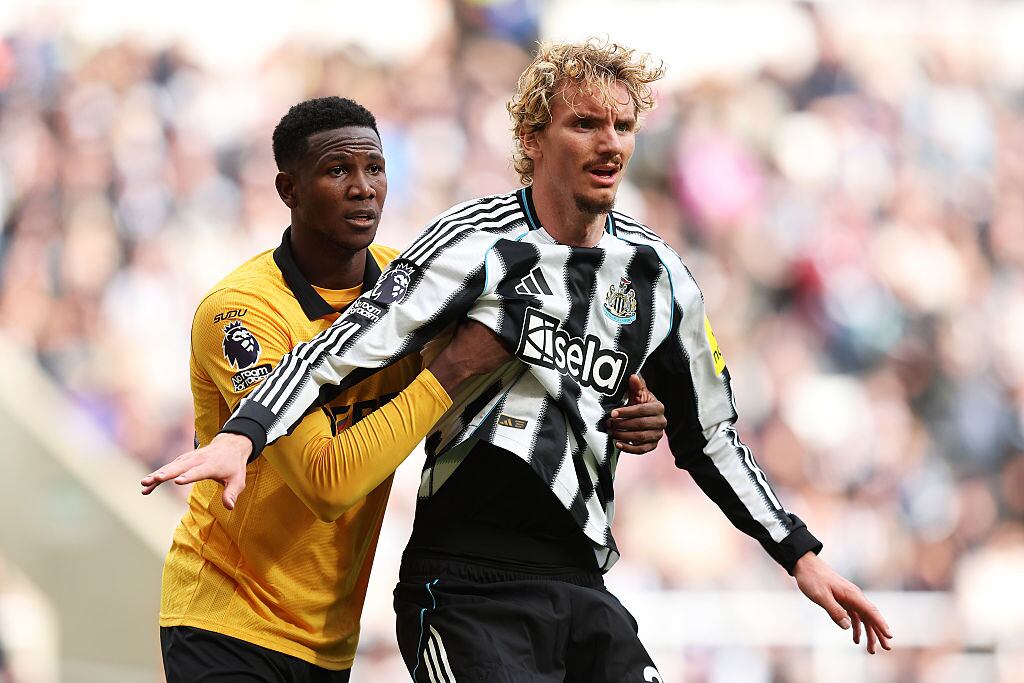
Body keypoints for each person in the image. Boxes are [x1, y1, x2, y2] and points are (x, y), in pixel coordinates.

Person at [147, 39, 892, 681]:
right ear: (533, 138)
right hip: (458, 584)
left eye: (624, 125)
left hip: (581, 580)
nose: (609, 143)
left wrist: (799, 552)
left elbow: (712, 435)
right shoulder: (466, 246)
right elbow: (342, 354)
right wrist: (246, 431)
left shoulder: (660, 277)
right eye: (585, 123)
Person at [144, 95, 666, 683]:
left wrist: (630, 404)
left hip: (326, 638)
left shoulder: (410, 287)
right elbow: (326, 482)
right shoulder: (241, 312)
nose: (363, 188)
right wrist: (450, 370)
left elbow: (525, 359)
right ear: (288, 189)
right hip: (226, 619)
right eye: (337, 170)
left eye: (375, 168)